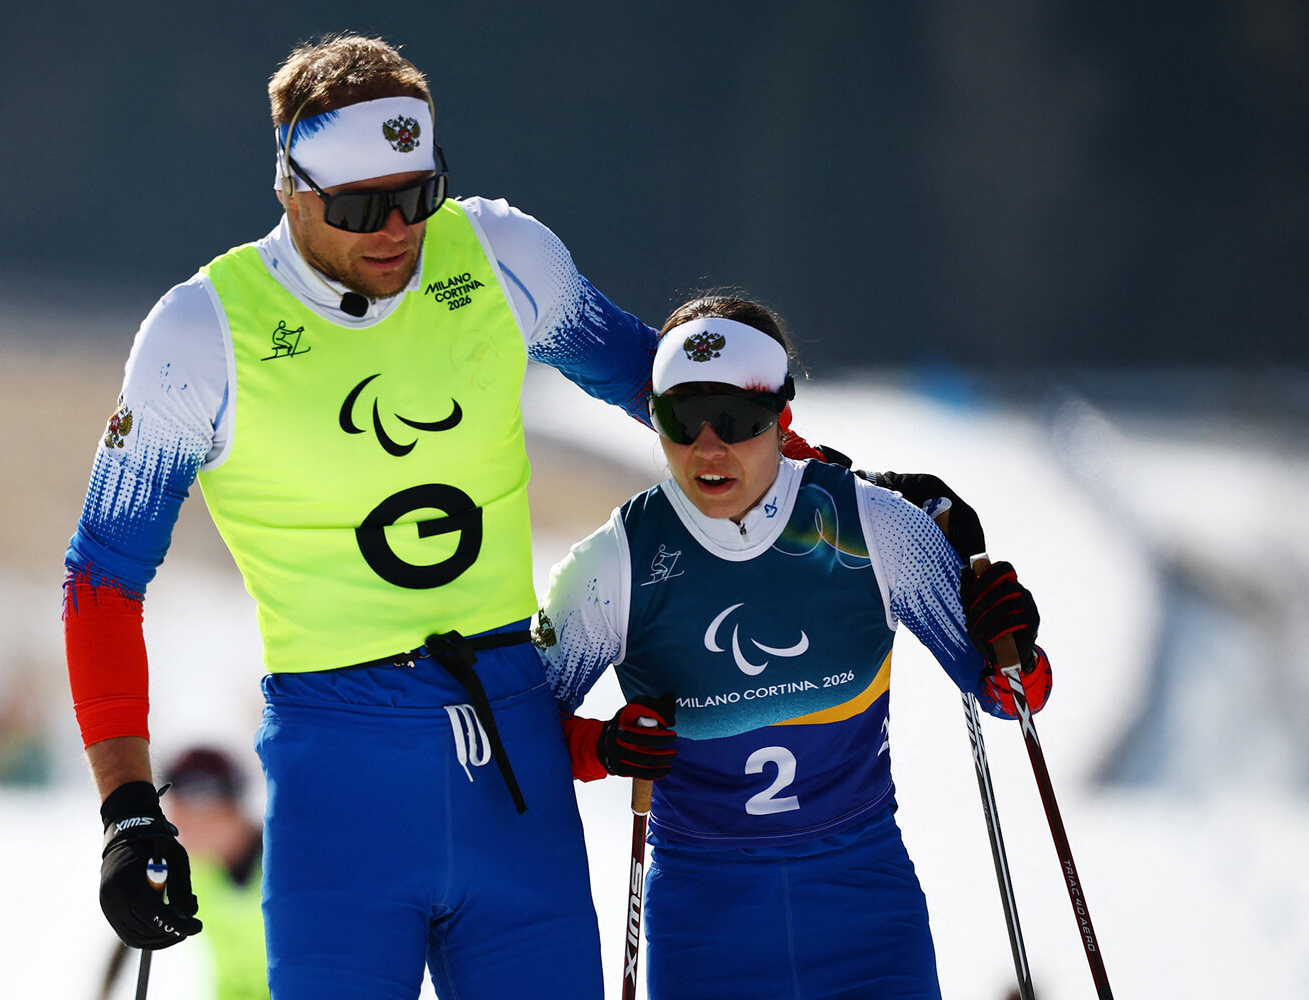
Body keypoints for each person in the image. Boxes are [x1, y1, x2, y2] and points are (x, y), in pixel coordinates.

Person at [62, 32, 668, 1000]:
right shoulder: (203, 334)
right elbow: (101, 578)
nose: (396, 229)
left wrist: (840, 490)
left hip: (512, 759)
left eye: (417, 195)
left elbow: (679, 394)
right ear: (290, 188)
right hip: (339, 778)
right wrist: (129, 809)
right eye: (357, 207)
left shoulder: (500, 255)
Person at [534, 294, 1053, 1000]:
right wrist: (603, 746)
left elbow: (1012, 696)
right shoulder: (615, 564)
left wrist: (1012, 637)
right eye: (681, 420)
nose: (708, 449)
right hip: (705, 928)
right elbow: (517, 734)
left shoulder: (873, 528)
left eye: (736, 419)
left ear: (781, 417)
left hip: (866, 914)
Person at [98, 747, 268, 1000]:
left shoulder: (287, 867)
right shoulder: (194, 872)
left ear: (227, 806)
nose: (179, 825)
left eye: (189, 812)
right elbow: (130, 930)